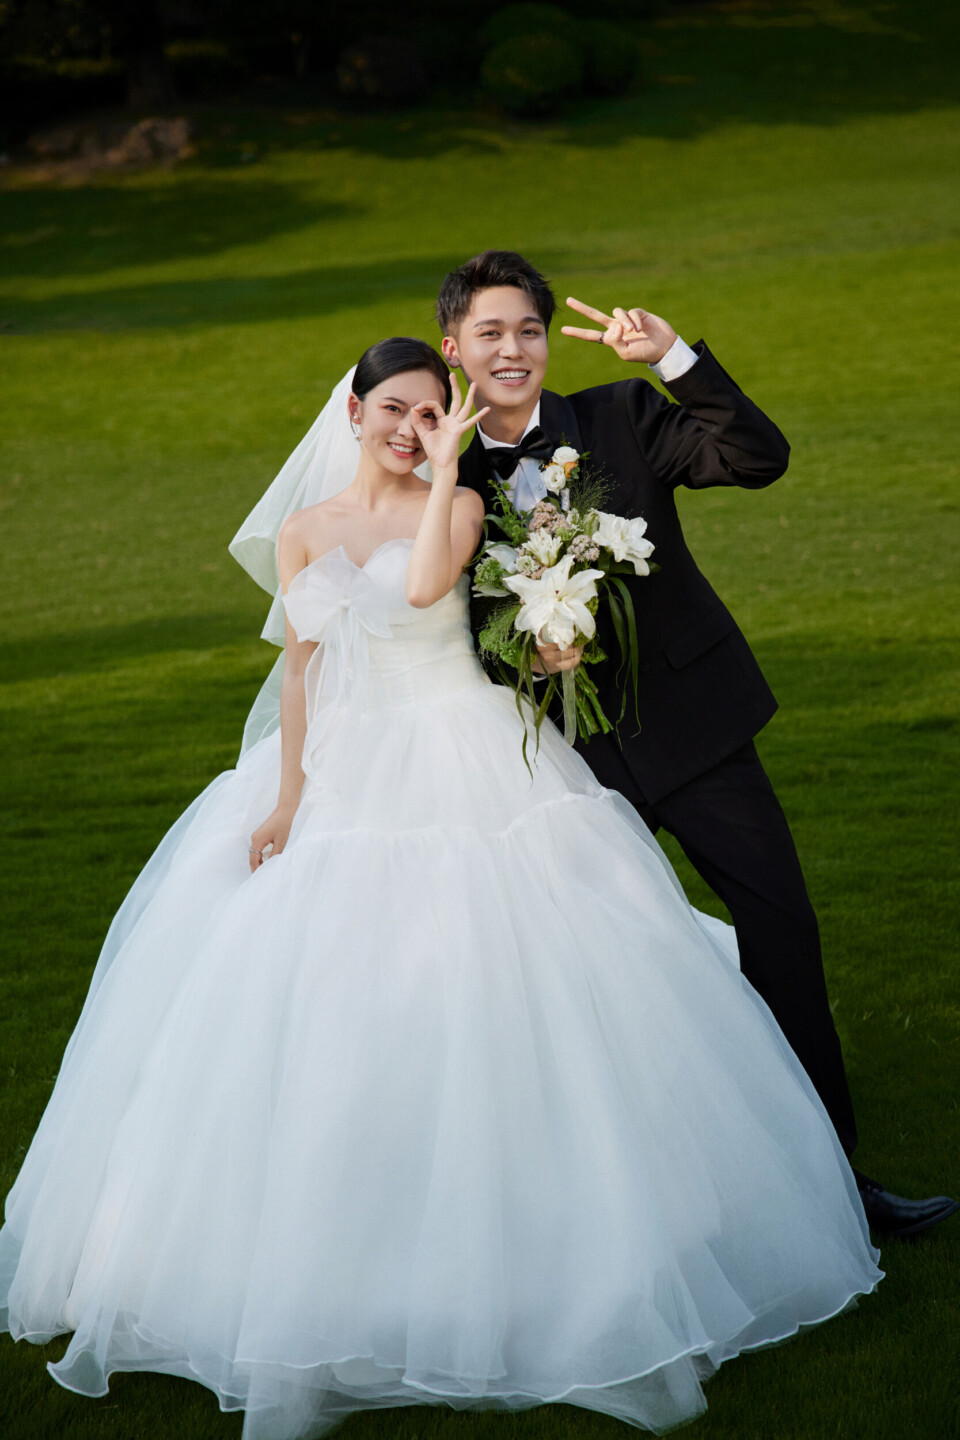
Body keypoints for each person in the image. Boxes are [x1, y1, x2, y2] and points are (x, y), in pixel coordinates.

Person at [0, 337, 883, 1440]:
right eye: (397, 411)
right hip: (350, 760)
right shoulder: (305, 530)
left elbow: (422, 589)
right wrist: (286, 795)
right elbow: (302, 666)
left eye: (431, 413)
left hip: (464, 745)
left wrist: (452, 465)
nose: (413, 431)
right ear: (355, 412)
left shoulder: (459, 505)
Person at [442, 250, 958, 1239]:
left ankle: (835, 1183)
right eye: (491, 332)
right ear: (454, 347)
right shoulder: (446, 477)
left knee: (783, 935)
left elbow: (760, 457)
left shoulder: (623, 418)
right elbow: (438, 617)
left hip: (698, 730)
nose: (513, 349)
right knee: (618, 979)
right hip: (569, 768)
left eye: (529, 330)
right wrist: (523, 655)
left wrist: (671, 357)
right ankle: (661, 1204)